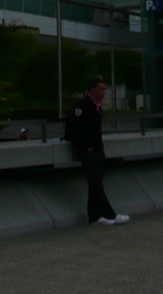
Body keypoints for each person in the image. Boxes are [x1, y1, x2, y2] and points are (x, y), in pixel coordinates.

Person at [69, 76, 129, 226]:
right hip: (87, 151)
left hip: (97, 149)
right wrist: (84, 146)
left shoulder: (97, 106)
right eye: (100, 89)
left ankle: (94, 217)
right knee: (96, 185)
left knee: (96, 184)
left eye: (104, 89)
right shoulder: (82, 106)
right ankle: (110, 214)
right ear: (92, 90)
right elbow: (72, 129)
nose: (103, 92)